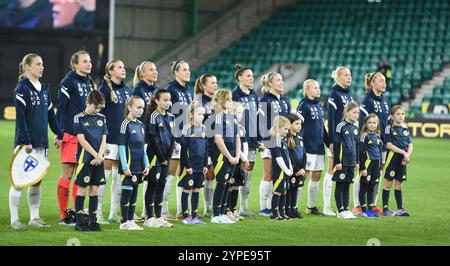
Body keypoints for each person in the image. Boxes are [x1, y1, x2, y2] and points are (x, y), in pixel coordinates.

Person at [9, 53, 63, 230]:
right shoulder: (21, 89)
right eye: (38, 64)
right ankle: (14, 219)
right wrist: (26, 141)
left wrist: (58, 133)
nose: (42, 67)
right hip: (27, 144)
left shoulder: (44, 89)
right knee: (18, 180)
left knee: (36, 180)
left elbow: (50, 116)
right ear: (27, 68)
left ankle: (34, 218)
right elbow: (21, 119)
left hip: (41, 143)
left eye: (42, 64)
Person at [56, 50, 95, 226]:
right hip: (71, 135)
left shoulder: (89, 82)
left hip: (86, 136)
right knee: (68, 173)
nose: (89, 64)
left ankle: (76, 212)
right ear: (75, 64)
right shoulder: (68, 82)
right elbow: (61, 109)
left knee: (81, 175)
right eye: (85, 61)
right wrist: (59, 133)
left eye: (90, 61)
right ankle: (64, 216)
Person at [97, 59, 131, 224]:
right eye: (119, 67)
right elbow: (98, 115)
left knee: (119, 177)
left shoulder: (126, 89)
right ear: (110, 71)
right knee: (105, 175)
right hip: (109, 139)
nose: (123, 69)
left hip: (123, 140)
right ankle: (97, 213)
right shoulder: (103, 89)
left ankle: (113, 213)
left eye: (123, 67)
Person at [354, 72, 389, 216]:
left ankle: (372, 203)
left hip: (381, 144)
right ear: (372, 82)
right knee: (363, 172)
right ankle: (357, 205)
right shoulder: (367, 100)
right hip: (368, 145)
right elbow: (362, 122)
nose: (384, 83)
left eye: (385, 81)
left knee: (378, 173)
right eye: (381, 80)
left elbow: (386, 123)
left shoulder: (385, 100)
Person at [72, 90, 107, 231]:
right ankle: (79, 222)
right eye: (95, 107)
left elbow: (104, 138)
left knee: (95, 190)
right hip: (85, 159)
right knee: (82, 189)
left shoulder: (102, 118)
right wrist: (95, 155)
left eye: (100, 108)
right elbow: (82, 140)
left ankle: (93, 221)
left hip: (98, 159)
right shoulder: (78, 117)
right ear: (88, 103)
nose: (97, 110)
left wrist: (100, 156)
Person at [231, 64, 262, 217]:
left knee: (248, 176)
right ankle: (230, 208)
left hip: (251, 141)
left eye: (252, 75)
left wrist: (258, 140)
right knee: (237, 176)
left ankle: (244, 206)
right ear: (240, 78)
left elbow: (255, 119)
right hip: (238, 140)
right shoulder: (234, 95)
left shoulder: (253, 94)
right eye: (248, 76)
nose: (251, 78)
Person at [296, 79, 330, 216]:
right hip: (307, 147)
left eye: (319, 87)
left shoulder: (319, 105)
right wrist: (299, 144)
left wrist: (329, 143)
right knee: (303, 175)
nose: (318, 90)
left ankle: (311, 207)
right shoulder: (303, 105)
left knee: (316, 175)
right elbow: (298, 125)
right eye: (315, 88)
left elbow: (322, 127)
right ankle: (293, 205)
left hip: (319, 147)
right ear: (308, 90)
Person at [258, 72, 290, 216]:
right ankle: (263, 206)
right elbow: (261, 123)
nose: (282, 82)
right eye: (278, 80)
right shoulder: (265, 100)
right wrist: (265, 140)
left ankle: (273, 206)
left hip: (282, 142)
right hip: (269, 141)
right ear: (269, 83)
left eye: (282, 80)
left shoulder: (284, 100)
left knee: (279, 173)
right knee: (269, 174)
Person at [164, 60, 192, 219]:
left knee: (184, 173)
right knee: (171, 173)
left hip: (186, 137)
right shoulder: (171, 90)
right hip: (175, 138)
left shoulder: (188, 91)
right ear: (176, 72)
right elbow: (168, 116)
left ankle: (182, 210)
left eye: (188, 69)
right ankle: (163, 209)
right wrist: (174, 136)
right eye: (184, 70)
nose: (188, 72)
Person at [143, 89, 175, 228]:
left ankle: (159, 216)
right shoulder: (152, 116)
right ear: (157, 101)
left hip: (166, 158)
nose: (168, 103)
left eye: (169, 100)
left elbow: (173, 138)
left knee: (162, 185)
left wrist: (167, 157)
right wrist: (161, 157)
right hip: (155, 156)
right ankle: (149, 218)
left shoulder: (171, 117)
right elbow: (151, 138)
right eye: (165, 100)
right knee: (152, 185)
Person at [325, 66, 354, 216]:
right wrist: (331, 140)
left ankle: (343, 207)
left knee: (346, 171)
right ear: (338, 77)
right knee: (332, 169)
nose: (349, 77)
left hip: (348, 139)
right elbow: (330, 118)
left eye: (350, 75)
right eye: (345, 75)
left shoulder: (349, 94)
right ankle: (326, 206)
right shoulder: (334, 94)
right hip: (336, 139)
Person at [118, 96, 150, 230]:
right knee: (127, 193)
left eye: (143, 107)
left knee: (135, 194)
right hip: (128, 167)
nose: (141, 110)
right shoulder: (125, 124)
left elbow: (143, 148)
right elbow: (121, 147)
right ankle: (124, 222)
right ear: (129, 107)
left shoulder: (141, 125)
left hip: (138, 166)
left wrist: (147, 164)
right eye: (138, 107)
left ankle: (131, 220)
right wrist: (125, 167)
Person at [132, 60, 158, 220]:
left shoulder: (156, 90)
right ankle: (128, 210)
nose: (155, 72)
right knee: (137, 172)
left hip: (153, 136)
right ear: (142, 74)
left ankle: (146, 210)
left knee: (150, 173)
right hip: (141, 136)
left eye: (155, 69)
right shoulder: (138, 89)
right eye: (151, 70)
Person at [210, 89, 241, 224]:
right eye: (228, 99)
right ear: (221, 101)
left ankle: (223, 213)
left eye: (231, 99)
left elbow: (237, 137)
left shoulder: (232, 117)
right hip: (221, 156)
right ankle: (216, 214)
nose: (231, 102)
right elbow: (218, 139)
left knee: (228, 183)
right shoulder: (218, 117)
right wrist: (229, 156)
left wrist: (238, 155)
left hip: (233, 155)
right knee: (222, 182)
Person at [178, 101, 208, 225]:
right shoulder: (187, 128)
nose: (202, 116)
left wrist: (205, 164)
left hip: (200, 166)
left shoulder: (204, 128)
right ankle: (185, 216)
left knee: (196, 190)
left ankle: (194, 216)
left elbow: (206, 148)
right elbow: (184, 149)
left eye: (203, 114)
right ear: (191, 115)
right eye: (199, 114)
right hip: (190, 166)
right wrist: (187, 166)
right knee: (187, 190)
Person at [382, 105, 413, 216]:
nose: (401, 116)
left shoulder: (405, 127)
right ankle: (385, 209)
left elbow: (410, 144)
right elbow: (389, 145)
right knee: (388, 183)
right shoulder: (388, 128)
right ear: (392, 116)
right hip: (392, 158)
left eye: (402, 114)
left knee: (399, 184)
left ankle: (400, 209)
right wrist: (403, 153)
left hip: (403, 159)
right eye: (398, 114)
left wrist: (407, 155)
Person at [194, 73, 217, 217]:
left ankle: (210, 207)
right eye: (212, 83)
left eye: (216, 83)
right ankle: (205, 208)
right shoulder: (199, 102)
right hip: (204, 143)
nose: (216, 85)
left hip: (216, 142)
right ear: (203, 86)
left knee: (212, 175)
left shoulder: (217, 101)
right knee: (205, 175)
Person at [332, 102, 359, 219]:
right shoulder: (340, 126)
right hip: (342, 162)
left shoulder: (356, 127)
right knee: (340, 185)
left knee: (347, 185)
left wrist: (357, 161)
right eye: (354, 112)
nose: (356, 115)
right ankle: (340, 210)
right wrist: (337, 161)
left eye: (357, 113)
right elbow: (336, 145)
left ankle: (346, 209)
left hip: (351, 162)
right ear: (347, 112)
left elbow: (357, 146)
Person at [225, 102, 247, 222]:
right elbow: (234, 144)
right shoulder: (230, 127)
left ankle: (233, 209)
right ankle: (227, 209)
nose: (241, 115)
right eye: (238, 112)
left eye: (242, 113)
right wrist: (242, 157)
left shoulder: (241, 127)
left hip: (240, 159)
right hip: (234, 158)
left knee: (237, 185)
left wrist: (245, 158)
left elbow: (245, 143)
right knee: (230, 185)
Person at [268, 116, 293, 220]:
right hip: (279, 171)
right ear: (278, 128)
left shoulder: (282, 140)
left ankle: (282, 213)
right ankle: (274, 214)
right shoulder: (275, 140)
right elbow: (278, 157)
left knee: (284, 191)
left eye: (288, 129)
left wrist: (290, 167)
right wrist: (286, 169)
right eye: (285, 129)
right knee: (278, 191)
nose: (287, 132)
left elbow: (287, 156)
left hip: (286, 170)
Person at [358, 114, 383, 218]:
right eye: (369, 123)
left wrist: (381, 167)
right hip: (367, 163)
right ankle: (364, 210)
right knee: (364, 186)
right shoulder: (364, 136)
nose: (372, 125)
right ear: (365, 124)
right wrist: (362, 167)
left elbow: (379, 152)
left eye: (374, 123)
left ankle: (371, 209)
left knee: (372, 187)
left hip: (376, 164)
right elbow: (361, 152)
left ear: (377, 124)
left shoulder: (377, 136)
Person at [286, 113, 306, 219]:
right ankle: (287, 209)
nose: (299, 126)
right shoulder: (288, 139)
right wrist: (296, 169)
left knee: (296, 189)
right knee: (290, 189)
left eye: (300, 124)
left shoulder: (300, 139)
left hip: (300, 170)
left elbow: (304, 155)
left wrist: (303, 168)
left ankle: (294, 209)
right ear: (289, 125)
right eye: (297, 123)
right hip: (292, 170)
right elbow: (289, 156)